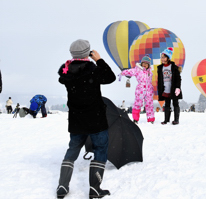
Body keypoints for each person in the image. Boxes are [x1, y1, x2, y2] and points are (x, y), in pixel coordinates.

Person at [56, 39, 116, 199]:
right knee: (100, 149)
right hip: (95, 118)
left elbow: (62, 75)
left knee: (72, 150)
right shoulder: (93, 70)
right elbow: (110, 77)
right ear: (87, 53)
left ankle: (62, 186)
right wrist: (99, 59)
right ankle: (95, 189)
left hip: (76, 119)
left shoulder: (66, 71)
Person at [119, 55, 155, 124]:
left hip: (149, 90)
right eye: (143, 63)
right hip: (140, 90)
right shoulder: (137, 70)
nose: (144, 65)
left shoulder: (150, 72)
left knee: (149, 105)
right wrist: (122, 73)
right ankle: (135, 119)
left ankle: (151, 119)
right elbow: (130, 71)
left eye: (146, 64)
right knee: (137, 104)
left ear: (148, 65)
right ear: (141, 63)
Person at [157, 47, 182, 125]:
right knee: (167, 104)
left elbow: (178, 78)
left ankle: (176, 120)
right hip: (166, 89)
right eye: (161, 57)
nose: (162, 59)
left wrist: (178, 88)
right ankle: (166, 120)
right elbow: (160, 80)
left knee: (175, 103)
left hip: (173, 89)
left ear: (168, 58)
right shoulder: (160, 68)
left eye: (164, 57)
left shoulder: (174, 67)